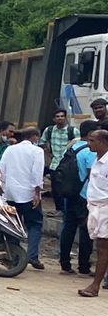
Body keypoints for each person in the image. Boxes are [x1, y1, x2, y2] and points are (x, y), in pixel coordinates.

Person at [0, 126, 47, 270]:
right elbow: (37, 173)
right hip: (28, 194)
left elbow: (1, 171)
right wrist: (37, 193)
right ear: (34, 136)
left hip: (11, 193)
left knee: (14, 224)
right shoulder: (37, 151)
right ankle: (32, 255)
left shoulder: (10, 149)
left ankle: (14, 256)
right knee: (34, 224)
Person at [58, 121, 98, 276]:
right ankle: (83, 267)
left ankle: (65, 265)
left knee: (68, 228)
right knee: (86, 231)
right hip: (84, 195)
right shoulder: (90, 151)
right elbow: (92, 174)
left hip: (70, 194)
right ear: (90, 134)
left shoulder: (72, 148)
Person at [77, 129, 108, 297]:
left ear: (103, 142)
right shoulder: (96, 160)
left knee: (103, 247)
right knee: (101, 246)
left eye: (92, 141)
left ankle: (95, 285)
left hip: (105, 208)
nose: (88, 144)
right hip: (95, 207)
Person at [41, 108, 78, 202]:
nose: (60, 118)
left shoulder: (73, 131)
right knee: (55, 188)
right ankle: (58, 209)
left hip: (68, 165)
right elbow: (42, 142)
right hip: (54, 164)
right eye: (57, 116)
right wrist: (48, 154)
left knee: (67, 187)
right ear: (54, 119)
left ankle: (65, 209)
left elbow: (80, 143)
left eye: (62, 116)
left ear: (65, 118)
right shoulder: (49, 130)